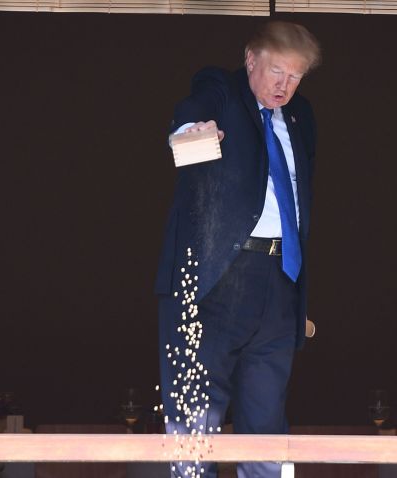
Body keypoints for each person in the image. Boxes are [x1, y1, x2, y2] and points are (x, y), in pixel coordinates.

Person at [154, 21, 321, 478]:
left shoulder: (301, 116)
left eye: (296, 76)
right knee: (195, 420)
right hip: (215, 277)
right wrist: (192, 128)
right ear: (251, 59)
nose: (284, 86)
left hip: (278, 280)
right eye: (276, 72)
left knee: (267, 424)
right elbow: (193, 109)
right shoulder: (222, 89)